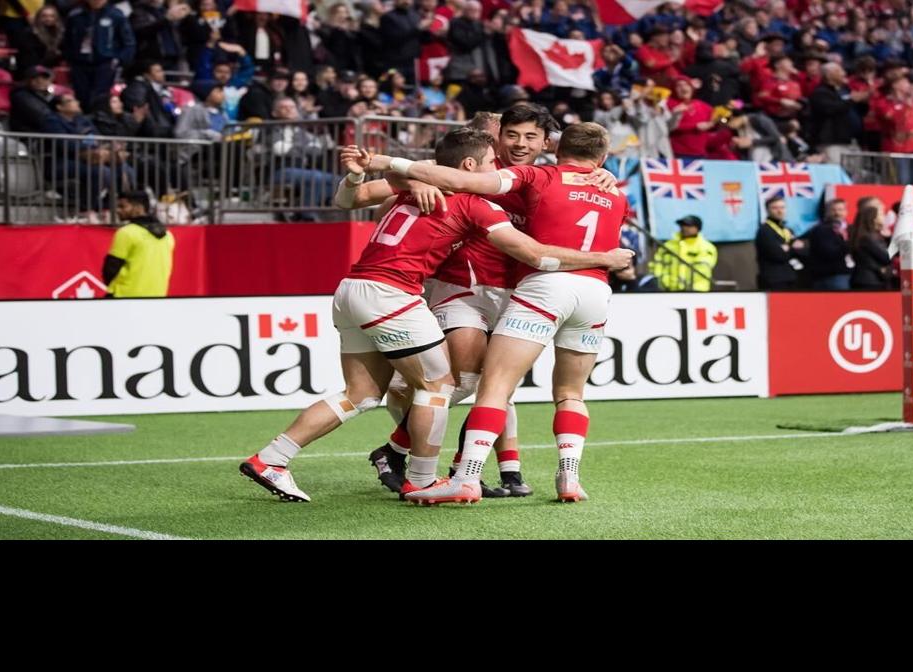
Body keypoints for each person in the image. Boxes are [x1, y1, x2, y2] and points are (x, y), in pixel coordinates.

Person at [239, 128, 630, 503]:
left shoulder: (409, 181)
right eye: (494, 158)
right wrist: (604, 259)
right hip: (393, 294)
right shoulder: (475, 202)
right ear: (472, 168)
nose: (501, 163)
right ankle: (423, 481)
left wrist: (364, 174)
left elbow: (346, 201)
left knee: (360, 394)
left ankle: (272, 458)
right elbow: (534, 255)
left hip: (352, 289)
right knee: (440, 387)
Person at [354, 122, 632, 504]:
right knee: (570, 393)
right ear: (601, 157)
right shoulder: (614, 193)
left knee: (494, 387)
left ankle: (464, 478)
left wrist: (390, 161)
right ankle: (568, 476)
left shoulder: (537, 176)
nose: (519, 143)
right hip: (595, 292)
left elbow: (464, 181)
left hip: (543, 287)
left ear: (551, 146)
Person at [103, 191, 175, 297]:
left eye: (122, 206)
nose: (118, 210)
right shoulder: (168, 236)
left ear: (138, 208)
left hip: (123, 297)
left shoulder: (126, 232)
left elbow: (110, 270)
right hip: (157, 297)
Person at [651, 215, 718, 291]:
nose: (684, 228)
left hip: (697, 291)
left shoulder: (706, 247)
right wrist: (664, 282)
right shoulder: (668, 246)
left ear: (698, 228)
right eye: (682, 225)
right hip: (670, 290)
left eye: (689, 225)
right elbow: (657, 266)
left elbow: (702, 269)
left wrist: (683, 284)